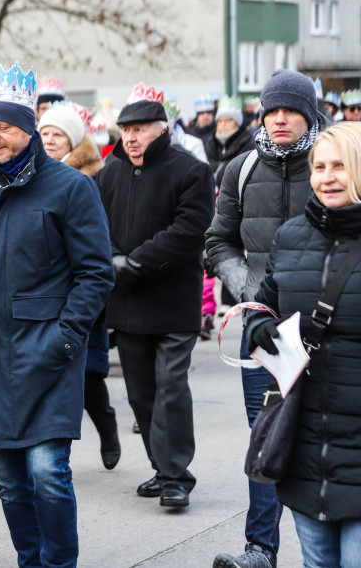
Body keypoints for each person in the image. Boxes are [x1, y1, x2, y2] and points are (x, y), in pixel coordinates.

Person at [0, 62, 113, 567]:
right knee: (8, 477)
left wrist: (66, 338)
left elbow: (96, 274)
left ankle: (57, 564)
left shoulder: (72, 189)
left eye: (3, 127)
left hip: (50, 354)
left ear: (28, 128)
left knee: (48, 471)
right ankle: (31, 561)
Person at [207, 69, 325, 568]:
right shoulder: (241, 167)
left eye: (290, 110)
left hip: (326, 328)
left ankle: (329, 549)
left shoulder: (332, 163)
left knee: (328, 437)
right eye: (272, 110)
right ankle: (261, 549)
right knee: (267, 436)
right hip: (262, 331)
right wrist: (252, 296)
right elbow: (218, 242)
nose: (279, 119)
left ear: (309, 115)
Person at [243, 122, 361, 568]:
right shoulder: (290, 237)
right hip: (305, 444)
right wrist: (257, 327)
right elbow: (265, 303)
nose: (327, 177)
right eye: (320, 166)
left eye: (341, 167)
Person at [96, 82, 215, 509]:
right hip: (127, 303)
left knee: (170, 389)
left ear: (162, 130)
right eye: (126, 129)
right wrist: (111, 260)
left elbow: (189, 230)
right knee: (140, 393)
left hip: (172, 301)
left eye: (141, 128)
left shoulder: (190, 170)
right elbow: (95, 225)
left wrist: (135, 265)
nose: (131, 136)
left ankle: (176, 475)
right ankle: (162, 467)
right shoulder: (110, 170)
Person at [37, 102, 121, 470]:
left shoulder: (91, 177)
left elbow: (101, 246)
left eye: (58, 134)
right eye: (44, 133)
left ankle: (108, 427)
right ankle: (50, 460)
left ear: (73, 139)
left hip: (82, 294)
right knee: (46, 381)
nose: (50, 140)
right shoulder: (30, 175)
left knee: (88, 378)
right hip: (42, 294)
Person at [203, 96, 254, 184]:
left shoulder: (249, 145)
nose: (223, 124)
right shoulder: (210, 144)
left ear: (237, 123)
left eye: (227, 120)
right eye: (220, 121)